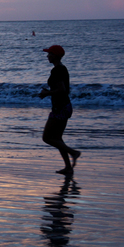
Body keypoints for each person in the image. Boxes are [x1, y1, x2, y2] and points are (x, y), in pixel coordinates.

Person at [38, 45, 81, 175]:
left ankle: (73, 152)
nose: (47, 56)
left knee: (47, 138)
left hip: (61, 108)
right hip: (64, 106)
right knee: (57, 138)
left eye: (49, 54)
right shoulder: (62, 68)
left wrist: (47, 93)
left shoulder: (57, 70)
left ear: (55, 56)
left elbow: (62, 90)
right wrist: (49, 92)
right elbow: (63, 89)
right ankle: (68, 167)